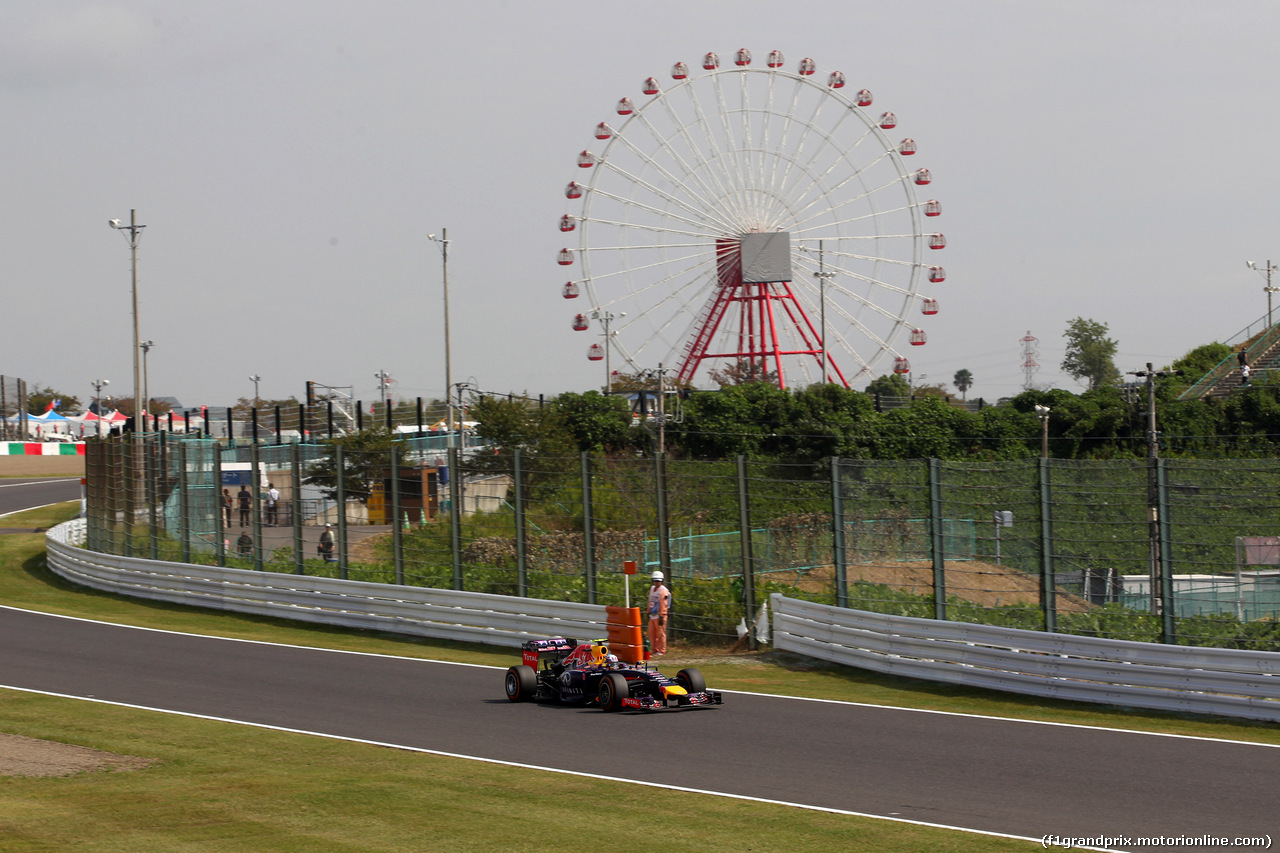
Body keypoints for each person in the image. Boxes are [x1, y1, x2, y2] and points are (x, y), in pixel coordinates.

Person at [647, 570, 672, 656]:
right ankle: (654, 649)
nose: (656, 582)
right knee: (651, 633)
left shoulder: (663, 591)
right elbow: (650, 600)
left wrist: (661, 615)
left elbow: (663, 604)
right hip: (652, 615)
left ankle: (662, 650)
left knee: (660, 633)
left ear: (661, 581)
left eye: (658, 581)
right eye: (655, 580)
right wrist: (648, 612)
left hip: (660, 615)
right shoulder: (652, 589)